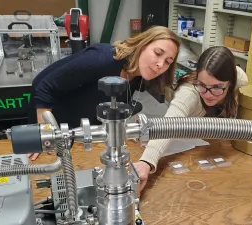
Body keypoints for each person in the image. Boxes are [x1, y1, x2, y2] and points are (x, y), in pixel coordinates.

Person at [28, 26, 181, 160]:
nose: (160, 64)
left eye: (168, 61)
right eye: (158, 53)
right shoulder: (102, 59)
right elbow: (44, 87)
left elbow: (116, 104)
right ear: (142, 45)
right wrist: (43, 135)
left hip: (83, 134)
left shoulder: (138, 75)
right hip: (54, 125)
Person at [133, 46, 248, 191]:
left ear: (230, 83)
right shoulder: (188, 93)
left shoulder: (240, 80)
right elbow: (168, 125)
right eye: (202, 85)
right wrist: (145, 162)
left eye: (217, 87)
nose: (208, 94)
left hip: (219, 146)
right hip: (191, 147)